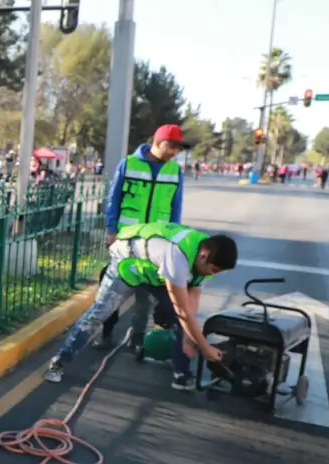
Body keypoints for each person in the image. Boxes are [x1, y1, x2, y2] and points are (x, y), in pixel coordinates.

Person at [45, 222, 237, 390]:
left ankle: (181, 374)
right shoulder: (178, 255)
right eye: (214, 269)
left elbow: (192, 299)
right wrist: (205, 348)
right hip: (127, 267)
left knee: (182, 323)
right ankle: (60, 360)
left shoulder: (204, 259)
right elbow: (183, 311)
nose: (214, 274)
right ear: (204, 255)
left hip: (153, 272)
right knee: (98, 315)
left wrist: (189, 339)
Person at [91, 124, 187, 352]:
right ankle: (106, 334)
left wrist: (173, 238)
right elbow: (114, 199)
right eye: (171, 146)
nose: (174, 152)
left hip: (155, 244)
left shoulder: (174, 171)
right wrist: (112, 231)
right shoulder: (129, 164)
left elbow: (176, 207)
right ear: (158, 142)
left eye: (177, 148)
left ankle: (137, 338)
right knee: (112, 292)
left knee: (146, 296)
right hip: (125, 241)